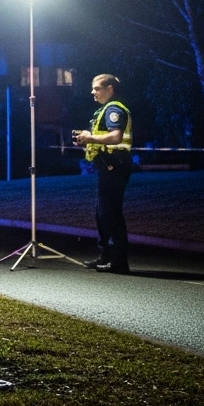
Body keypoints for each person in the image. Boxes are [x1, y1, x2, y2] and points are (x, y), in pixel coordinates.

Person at [72, 74, 133, 274]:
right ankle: (106, 256)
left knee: (110, 213)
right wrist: (86, 138)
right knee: (102, 212)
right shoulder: (104, 110)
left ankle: (118, 262)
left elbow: (115, 137)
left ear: (110, 89)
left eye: (97, 88)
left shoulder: (114, 109)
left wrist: (91, 138)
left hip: (114, 164)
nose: (93, 92)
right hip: (107, 166)